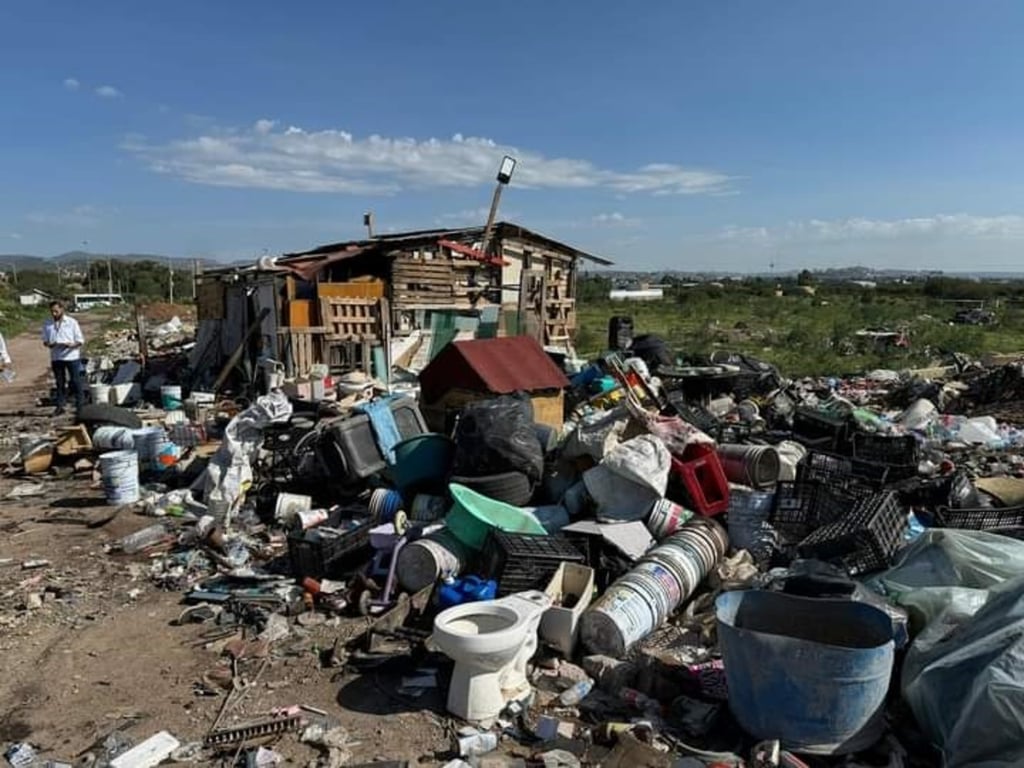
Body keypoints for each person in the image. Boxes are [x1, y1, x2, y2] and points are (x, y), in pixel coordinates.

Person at [42, 300, 85, 415]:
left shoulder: (72, 322)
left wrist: (72, 345)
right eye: (52, 312)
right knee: (60, 383)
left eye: (56, 311)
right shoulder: (47, 323)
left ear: (62, 309)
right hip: (56, 357)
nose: (54, 314)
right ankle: (60, 406)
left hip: (71, 356)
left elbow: (80, 340)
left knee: (76, 381)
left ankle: (80, 406)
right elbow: (45, 341)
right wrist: (50, 344)